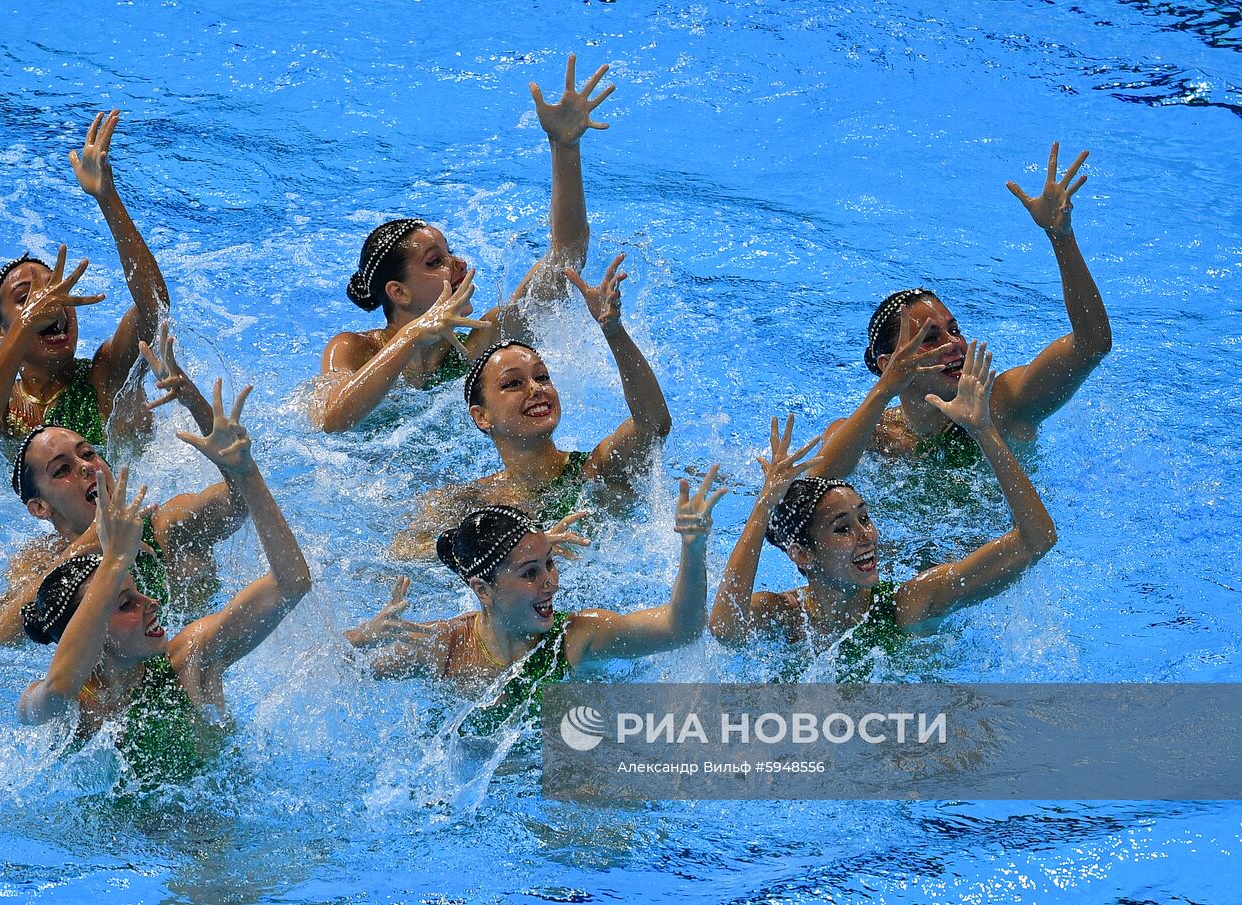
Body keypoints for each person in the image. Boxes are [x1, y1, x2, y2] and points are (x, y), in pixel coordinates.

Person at [17, 383, 313, 787]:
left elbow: (291, 585)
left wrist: (248, 473)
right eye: (124, 604)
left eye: (88, 453)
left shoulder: (190, 658)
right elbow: (60, 683)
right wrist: (115, 558)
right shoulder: (65, 705)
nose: (151, 601)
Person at [311, 54, 615, 432]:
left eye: (450, 253)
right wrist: (411, 335)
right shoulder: (353, 350)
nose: (457, 264)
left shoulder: (481, 344)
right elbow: (331, 420)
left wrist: (564, 147)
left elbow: (566, 256)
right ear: (398, 292)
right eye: (434, 261)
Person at [710, 343, 1056, 665]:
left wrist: (985, 432)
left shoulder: (907, 606)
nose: (866, 536)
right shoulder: (785, 616)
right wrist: (764, 504)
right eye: (843, 528)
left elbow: (1035, 540)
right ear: (802, 553)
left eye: (865, 519)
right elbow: (725, 628)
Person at [347, 468, 725, 731]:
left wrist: (693, 551)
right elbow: (334, 669)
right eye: (530, 573)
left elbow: (680, 630)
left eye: (550, 565)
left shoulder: (576, 639)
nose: (551, 584)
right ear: (483, 590)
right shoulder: (445, 648)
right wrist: (367, 634)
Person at [814, 142, 1110, 477]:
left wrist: (1062, 237)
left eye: (955, 330)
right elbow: (817, 484)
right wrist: (883, 392)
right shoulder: (875, 436)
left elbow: (1092, 344)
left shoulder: (1004, 404)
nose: (955, 344)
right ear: (888, 364)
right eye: (931, 337)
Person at [390, 252, 671, 558]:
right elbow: (402, 551)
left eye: (542, 377)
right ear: (481, 416)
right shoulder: (471, 500)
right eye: (513, 383)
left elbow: (653, 423)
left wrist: (613, 333)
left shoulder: (596, 471)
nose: (536, 389)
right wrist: (512, 544)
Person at [0, 324, 242, 646]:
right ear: (40, 508)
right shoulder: (39, 561)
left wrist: (198, 409)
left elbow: (241, 503)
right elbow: (2, 634)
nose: (85, 467)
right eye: (62, 469)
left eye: (88, 454)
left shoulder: (161, 528)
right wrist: (90, 543)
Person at [0, 110, 169, 450]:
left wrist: (108, 199)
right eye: (27, 296)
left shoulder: (104, 376)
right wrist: (27, 324)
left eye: (54, 285)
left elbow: (154, 307)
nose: (50, 301)